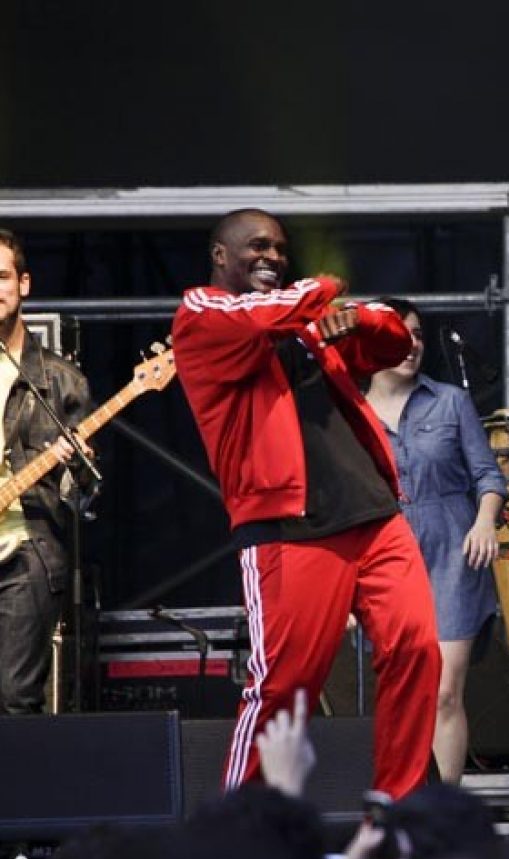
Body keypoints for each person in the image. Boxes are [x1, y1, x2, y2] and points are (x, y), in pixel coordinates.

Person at [171, 208, 440, 797]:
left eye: (280, 250)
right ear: (221, 256)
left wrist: (358, 320)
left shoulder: (303, 325)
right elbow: (265, 312)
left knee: (418, 647)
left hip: (371, 514)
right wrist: (325, 288)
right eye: (257, 247)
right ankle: (237, 831)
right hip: (288, 528)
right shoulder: (201, 313)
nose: (271, 257)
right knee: (285, 686)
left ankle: (398, 809)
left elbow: (393, 340)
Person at [365, 298, 508, 784]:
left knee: (446, 690)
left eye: (419, 334)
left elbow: (489, 476)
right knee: (404, 692)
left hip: (452, 553)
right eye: (400, 333)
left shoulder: (450, 401)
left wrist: (485, 521)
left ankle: (443, 813)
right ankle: (402, 800)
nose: (413, 343)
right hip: (388, 559)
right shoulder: (352, 412)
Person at [0, 229, 92, 715]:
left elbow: (83, 499)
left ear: (24, 284)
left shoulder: (60, 380)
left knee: (15, 699)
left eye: (2, 276)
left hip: (26, 548)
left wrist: (77, 467)